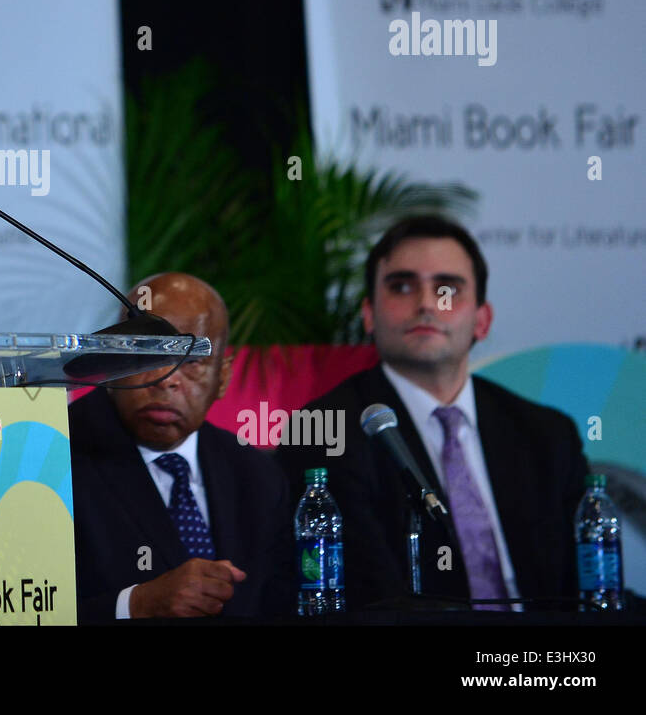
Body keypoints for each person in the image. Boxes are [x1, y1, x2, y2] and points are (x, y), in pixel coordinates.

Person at [277, 216, 588, 610]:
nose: (426, 304)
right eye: (402, 287)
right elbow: (370, 596)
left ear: (482, 319)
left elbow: (585, 590)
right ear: (369, 315)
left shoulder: (547, 435)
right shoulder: (324, 432)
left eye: (447, 288)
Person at [70, 272, 294, 622]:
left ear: (222, 378)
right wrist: (135, 606)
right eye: (148, 353)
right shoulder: (56, 456)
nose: (166, 379)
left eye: (191, 359)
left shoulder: (257, 477)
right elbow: (21, 608)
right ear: (113, 362)